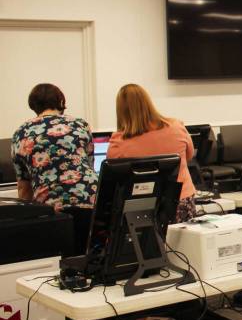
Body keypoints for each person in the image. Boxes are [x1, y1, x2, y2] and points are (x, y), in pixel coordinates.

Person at [107, 84, 196, 222]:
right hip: (182, 200)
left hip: (142, 205)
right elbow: (189, 156)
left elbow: (113, 177)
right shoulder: (176, 126)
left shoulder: (119, 141)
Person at [11, 83, 98, 211]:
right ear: (61, 101)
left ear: (33, 105)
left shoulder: (21, 133)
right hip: (90, 198)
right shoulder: (80, 124)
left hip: (51, 207)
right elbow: (89, 165)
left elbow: (24, 187)